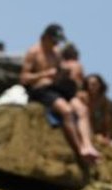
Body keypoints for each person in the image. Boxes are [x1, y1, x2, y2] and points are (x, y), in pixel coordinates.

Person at [19, 23, 100, 163]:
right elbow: (24, 78)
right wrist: (44, 74)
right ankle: (80, 149)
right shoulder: (33, 52)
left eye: (58, 41)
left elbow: (61, 69)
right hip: (41, 89)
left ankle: (88, 145)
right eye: (54, 40)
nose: (56, 43)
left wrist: (66, 73)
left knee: (82, 110)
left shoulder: (56, 52)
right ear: (45, 37)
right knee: (67, 111)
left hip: (58, 87)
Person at [80, 73, 111, 146]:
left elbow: (105, 118)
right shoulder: (83, 96)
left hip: (92, 122)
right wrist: (93, 136)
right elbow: (86, 117)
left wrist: (106, 136)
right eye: (89, 84)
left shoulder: (102, 98)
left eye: (94, 84)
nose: (92, 87)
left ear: (100, 85)